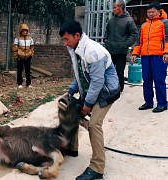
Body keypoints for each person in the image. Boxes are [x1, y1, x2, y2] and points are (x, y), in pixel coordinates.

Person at [59, 20, 120, 180]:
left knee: (94, 125)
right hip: (93, 90)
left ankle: (97, 168)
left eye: (66, 39)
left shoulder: (92, 51)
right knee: (69, 108)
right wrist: (71, 92)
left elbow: (98, 81)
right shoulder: (75, 48)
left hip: (106, 92)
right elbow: (80, 75)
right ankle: (72, 148)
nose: (65, 43)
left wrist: (87, 104)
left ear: (77, 35)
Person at [132, 2, 168, 113]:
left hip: (159, 56)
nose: (150, 14)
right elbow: (139, 42)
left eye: (153, 12)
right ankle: (148, 102)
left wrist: (166, 52)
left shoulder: (164, 23)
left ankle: (162, 103)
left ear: (159, 11)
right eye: (148, 12)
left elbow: (167, 39)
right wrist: (135, 53)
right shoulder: (144, 26)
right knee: (146, 79)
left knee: (159, 80)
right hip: (145, 56)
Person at [105, 0, 138, 92]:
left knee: (119, 71)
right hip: (110, 50)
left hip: (121, 51)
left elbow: (134, 34)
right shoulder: (111, 20)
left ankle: (119, 89)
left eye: (115, 7)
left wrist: (125, 44)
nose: (113, 9)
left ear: (121, 8)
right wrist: (106, 40)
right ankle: (110, 87)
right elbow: (107, 32)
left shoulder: (129, 20)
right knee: (108, 70)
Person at [12, 23, 34, 88]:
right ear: (21, 31)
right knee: (20, 70)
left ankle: (28, 84)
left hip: (28, 57)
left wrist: (31, 55)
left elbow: (32, 48)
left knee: (28, 71)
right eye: (23, 31)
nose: (25, 32)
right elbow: (15, 48)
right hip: (20, 57)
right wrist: (16, 56)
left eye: (26, 31)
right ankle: (19, 83)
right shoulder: (17, 39)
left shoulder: (30, 39)